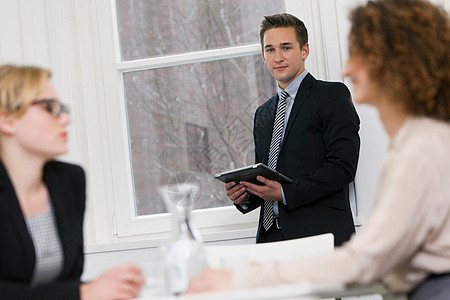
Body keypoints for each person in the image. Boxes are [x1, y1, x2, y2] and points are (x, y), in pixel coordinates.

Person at [187, 0, 450, 298]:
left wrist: (243, 279)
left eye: (360, 55)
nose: (347, 67)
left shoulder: (422, 150)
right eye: (269, 49)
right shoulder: (411, 145)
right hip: (278, 241)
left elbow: (367, 258)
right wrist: (246, 194)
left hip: (328, 241)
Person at [0, 65, 145, 299]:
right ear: (8, 120)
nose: (66, 119)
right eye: (50, 108)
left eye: (62, 109)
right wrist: (82, 293)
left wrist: (110, 287)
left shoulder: (68, 181)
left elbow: (66, 281)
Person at [226, 13, 360, 245]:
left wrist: (285, 193)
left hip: (319, 235)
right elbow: (266, 178)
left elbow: (343, 167)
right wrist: (244, 196)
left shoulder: (331, 95)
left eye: (286, 48)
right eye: (270, 50)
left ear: (304, 51)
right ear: (263, 56)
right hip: (271, 239)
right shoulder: (263, 113)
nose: (278, 57)